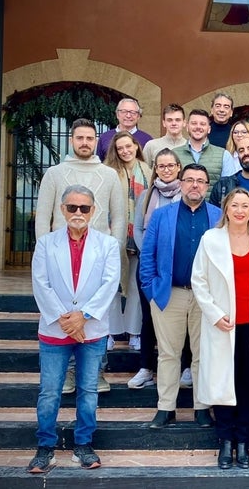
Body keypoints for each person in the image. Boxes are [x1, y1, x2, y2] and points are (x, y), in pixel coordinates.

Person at [28, 185, 120, 473]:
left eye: (84, 208)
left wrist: (84, 316)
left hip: (91, 330)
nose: (78, 213)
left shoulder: (107, 245)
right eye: (72, 207)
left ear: (93, 211)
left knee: (88, 390)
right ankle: (45, 448)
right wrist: (66, 320)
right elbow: (40, 284)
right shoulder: (46, 243)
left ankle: (83, 445)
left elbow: (109, 284)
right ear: (62, 210)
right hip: (55, 330)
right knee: (50, 392)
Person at [35, 118, 125, 395]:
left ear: (97, 141)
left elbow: (119, 216)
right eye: (79, 138)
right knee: (63, 311)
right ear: (71, 141)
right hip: (61, 259)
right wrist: (44, 253)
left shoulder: (109, 174)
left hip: (98, 257)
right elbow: (42, 216)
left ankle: (95, 370)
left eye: (89, 138)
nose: (85, 143)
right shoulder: (54, 173)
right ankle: (69, 373)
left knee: (96, 316)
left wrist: (115, 251)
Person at [191, 188, 249, 470]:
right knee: (223, 384)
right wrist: (214, 314)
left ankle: (243, 441)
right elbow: (198, 281)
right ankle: (225, 442)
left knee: (248, 385)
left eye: (245, 205)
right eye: (235, 205)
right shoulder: (210, 239)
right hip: (223, 324)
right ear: (226, 209)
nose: (240, 210)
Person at [139, 163, 221, 429]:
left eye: (200, 180)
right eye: (189, 180)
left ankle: (201, 408)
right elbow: (147, 255)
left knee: (203, 354)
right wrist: (151, 289)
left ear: (207, 187)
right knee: (168, 354)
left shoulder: (219, 217)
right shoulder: (163, 215)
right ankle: (166, 408)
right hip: (169, 294)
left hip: (205, 298)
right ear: (181, 183)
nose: (195, 185)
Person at [128, 149, 187, 390]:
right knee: (149, 316)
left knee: (181, 317)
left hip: (180, 266)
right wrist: (151, 252)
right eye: (161, 166)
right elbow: (139, 229)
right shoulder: (147, 195)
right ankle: (145, 368)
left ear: (178, 167)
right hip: (151, 266)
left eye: (170, 165)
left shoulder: (187, 193)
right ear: (155, 169)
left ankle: (185, 367)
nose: (166, 170)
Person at [103, 131, 152, 351]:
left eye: (128, 146)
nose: (125, 151)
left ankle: (134, 332)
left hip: (139, 236)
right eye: (120, 148)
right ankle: (111, 331)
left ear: (136, 145)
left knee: (135, 285)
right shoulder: (108, 172)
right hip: (114, 236)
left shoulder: (148, 170)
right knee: (112, 285)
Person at [174, 109, 238, 199]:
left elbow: (230, 190)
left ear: (209, 129)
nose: (198, 127)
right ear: (187, 127)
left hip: (213, 211)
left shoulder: (223, 155)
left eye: (202, 124)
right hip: (180, 209)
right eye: (194, 123)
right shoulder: (174, 154)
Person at [210, 136, 249, 208]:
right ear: (238, 156)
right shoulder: (223, 185)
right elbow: (214, 215)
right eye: (241, 150)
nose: (246, 153)